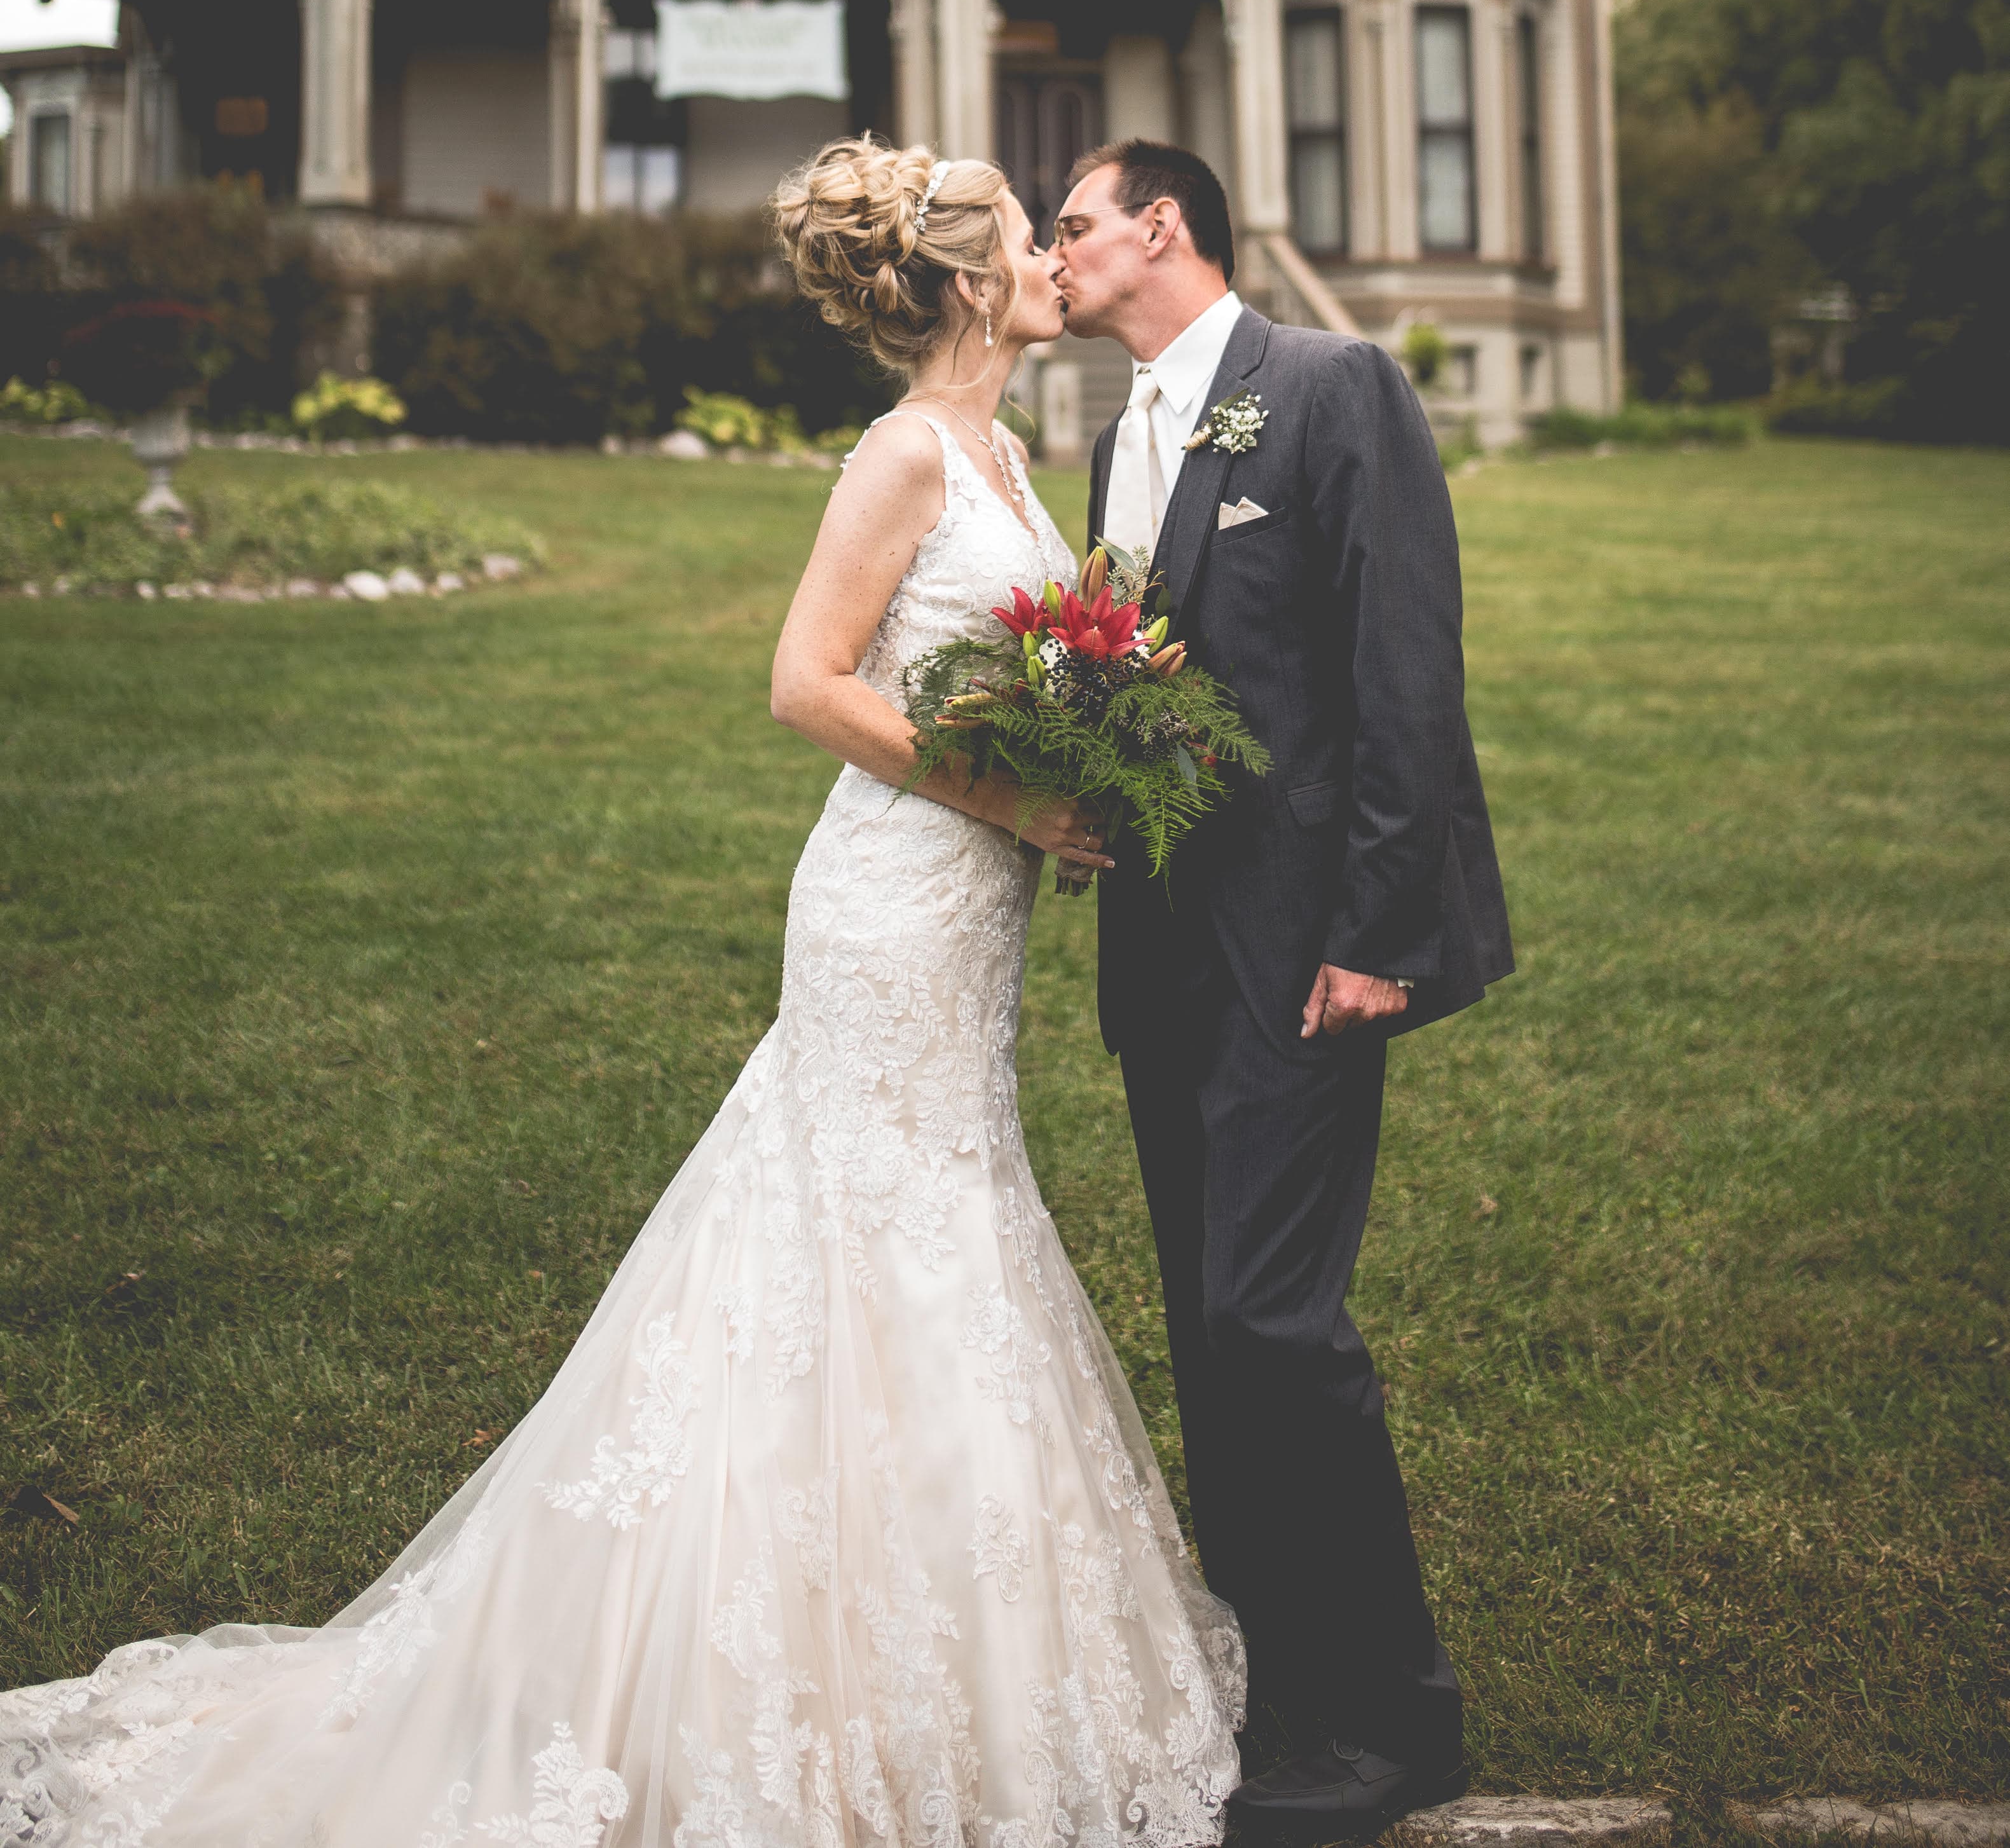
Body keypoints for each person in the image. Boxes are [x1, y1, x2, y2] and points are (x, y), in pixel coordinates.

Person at [0, 141, 1244, 1848]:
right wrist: (1015, 800)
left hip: (965, 921)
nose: (1054, 262)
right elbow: (803, 682)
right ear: (971, 286)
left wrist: (1076, 739)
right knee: (865, 1231)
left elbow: (992, 671)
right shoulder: (900, 457)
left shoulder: (1003, 447)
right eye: (1031, 240)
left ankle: (905, 1650)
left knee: (930, 1220)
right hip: (889, 906)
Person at [1054, 138, 1514, 1847]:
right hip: (1161, 954)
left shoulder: (1327, 388)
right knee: (1205, 1329)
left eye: (1077, 224)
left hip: (1307, 951)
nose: (1058, 254)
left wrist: (1380, 933)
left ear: (1160, 228)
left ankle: (1395, 1723)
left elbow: (1402, 663)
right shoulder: (1113, 436)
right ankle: (1275, 1690)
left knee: (1270, 1321)